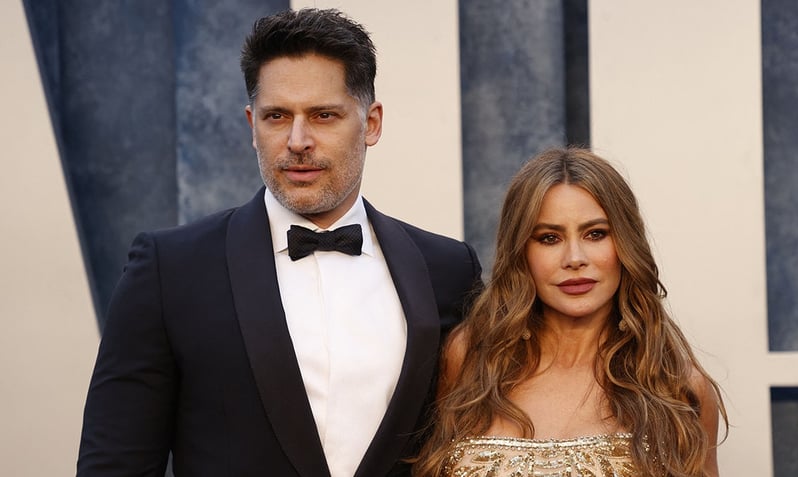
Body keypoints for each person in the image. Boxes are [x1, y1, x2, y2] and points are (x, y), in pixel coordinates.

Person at [77, 8, 481, 477]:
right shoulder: (170, 270)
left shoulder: (448, 270)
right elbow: (115, 463)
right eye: (276, 116)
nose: (297, 140)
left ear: (371, 123)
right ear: (252, 124)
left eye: (323, 115)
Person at [413, 147, 728, 477]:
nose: (575, 258)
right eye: (549, 238)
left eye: (595, 234)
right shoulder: (471, 356)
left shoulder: (677, 386)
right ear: (521, 252)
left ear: (625, 243)